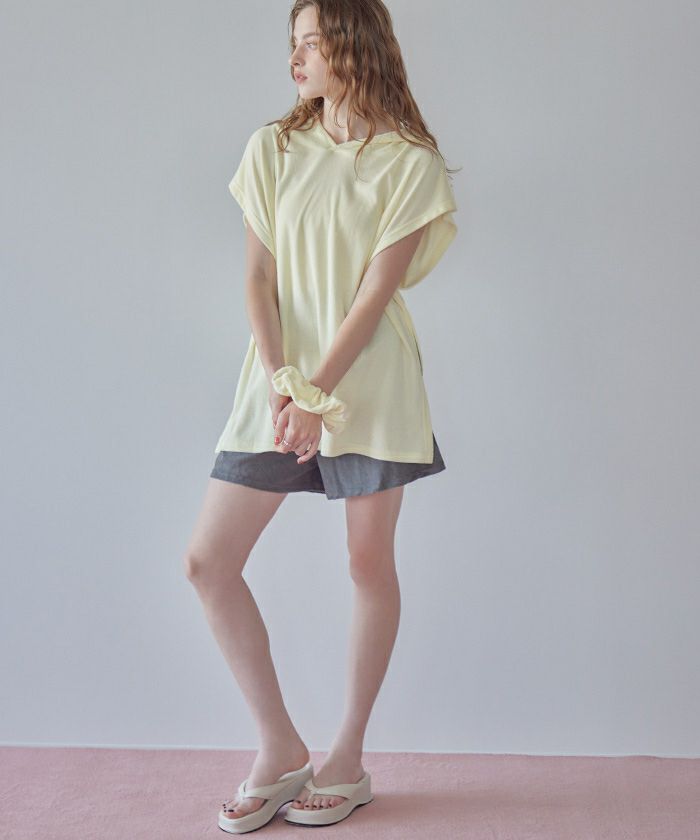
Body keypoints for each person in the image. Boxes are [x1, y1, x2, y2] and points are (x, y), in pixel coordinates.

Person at [184, 0, 459, 832]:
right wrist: (284, 384)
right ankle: (279, 748)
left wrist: (316, 392)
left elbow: (376, 295)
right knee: (208, 562)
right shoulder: (272, 147)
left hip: (370, 383)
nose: (296, 58)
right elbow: (257, 279)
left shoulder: (409, 161)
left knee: (367, 563)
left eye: (310, 42)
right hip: (276, 384)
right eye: (293, 43)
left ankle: (347, 757)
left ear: (351, 45)